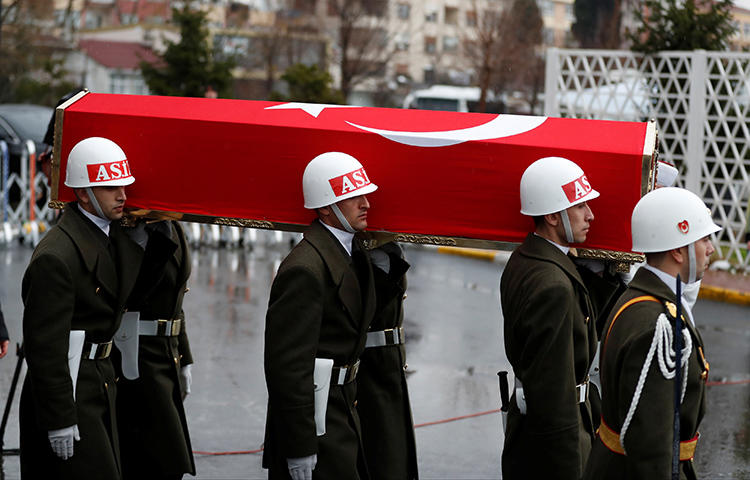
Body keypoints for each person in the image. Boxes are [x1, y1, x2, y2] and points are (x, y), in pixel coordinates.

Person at [19, 136, 143, 479]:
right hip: (71, 389)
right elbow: (45, 347)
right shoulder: (56, 257)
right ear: (83, 193)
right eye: (109, 187)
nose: (122, 195)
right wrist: (59, 418)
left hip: (99, 380)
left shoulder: (110, 233)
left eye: (123, 185)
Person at [584, 187, 716, 480]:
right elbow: (651, 444)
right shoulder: (658, 324)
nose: (711, 249)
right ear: (677, 250)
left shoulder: (641, 298)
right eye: (704, 239)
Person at [263, 151, 377, 480]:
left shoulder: (353, 253)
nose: (366, 203)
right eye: (353, 196)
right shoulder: (305, 269)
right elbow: (288, 368)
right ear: (326, 206)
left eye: (364, 194)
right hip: (316, 422)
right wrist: (298, 445)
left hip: (343, 409)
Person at [500, 156, 599, 479]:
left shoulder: (527, 259)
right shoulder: (552, 286)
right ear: (554, 216)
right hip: (557, 445)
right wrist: (571, 468)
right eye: (580, 206)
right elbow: (555, 395)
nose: (591, 215)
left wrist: (609, 282)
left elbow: (577, 322)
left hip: (529, 434)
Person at [113, 219, 195, 479]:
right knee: (153, 458)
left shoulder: (171, 224)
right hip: (137, 357)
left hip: (166, 354)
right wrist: (141, 246)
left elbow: (175, 298)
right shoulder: (125, 228)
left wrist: (185, 356)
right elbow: (129, 294)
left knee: (167, 458)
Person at [357, 242, 418, 479]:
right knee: (382, 458)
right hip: (371, 373)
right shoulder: (370, 254)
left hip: (387, 368)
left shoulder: (387, 250)